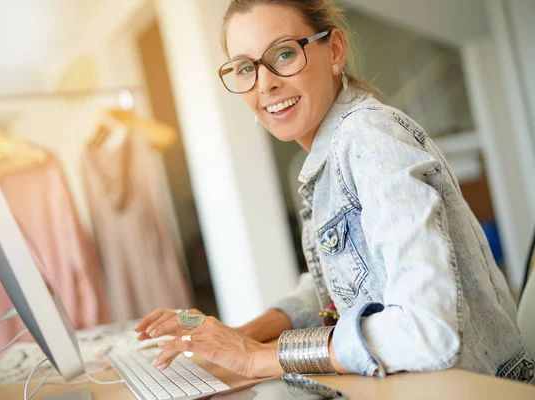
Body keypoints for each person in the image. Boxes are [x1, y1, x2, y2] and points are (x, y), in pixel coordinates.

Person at [135, 0, 534, 383]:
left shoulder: (368, 138)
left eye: (285, 54)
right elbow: (334, 283)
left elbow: (429, 329)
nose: (266, 84)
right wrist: (236, 334)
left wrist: (260, 357)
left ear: (335, 50)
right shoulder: (329, 156)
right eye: (244, 68)